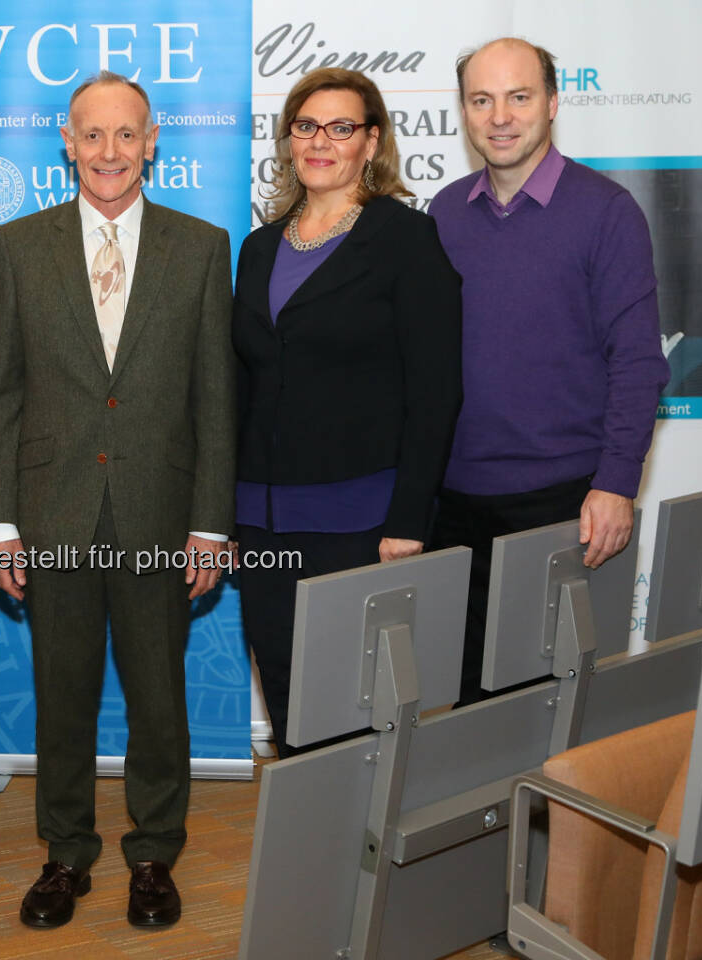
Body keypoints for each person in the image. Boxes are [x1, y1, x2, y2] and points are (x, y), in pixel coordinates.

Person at [0, 70, 235, 930]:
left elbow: (213, 398)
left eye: (127, 135)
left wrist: (208, 526)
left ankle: (155, 852)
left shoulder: (202, 247)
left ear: (152, 141)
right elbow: (2, 396)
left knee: (160, 698)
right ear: (67, 143)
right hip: (54, 516)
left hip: (160, 517)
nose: (110, 152)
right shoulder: (16, 248)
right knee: (62, 695)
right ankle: (65, 855)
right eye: (93, 135)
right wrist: (1, 525)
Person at [427, 38, 669, 705]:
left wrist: (617, 484)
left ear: (553, 103)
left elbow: (639, 361)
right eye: (482, 99)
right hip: (455, 508)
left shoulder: (607, 212)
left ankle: (545, 816)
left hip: (563, 505)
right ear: (465, 112)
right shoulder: (443, 214)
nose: (500, 116)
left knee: (552, 706)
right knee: (467, 705)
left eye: (519, 96)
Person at [233, 68, 462, 758]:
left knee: (356, 712)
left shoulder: (404, 238)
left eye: (341, 127)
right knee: (287, 704)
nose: (321, 141)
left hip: (360, 524)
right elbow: (241, 386)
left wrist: (408, 519)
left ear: (371, 142)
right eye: (306, 126)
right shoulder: (259, 247)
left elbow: (436, 389)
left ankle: (360, 858)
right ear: (288, 141)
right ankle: (309, 853)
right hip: (262, 521)